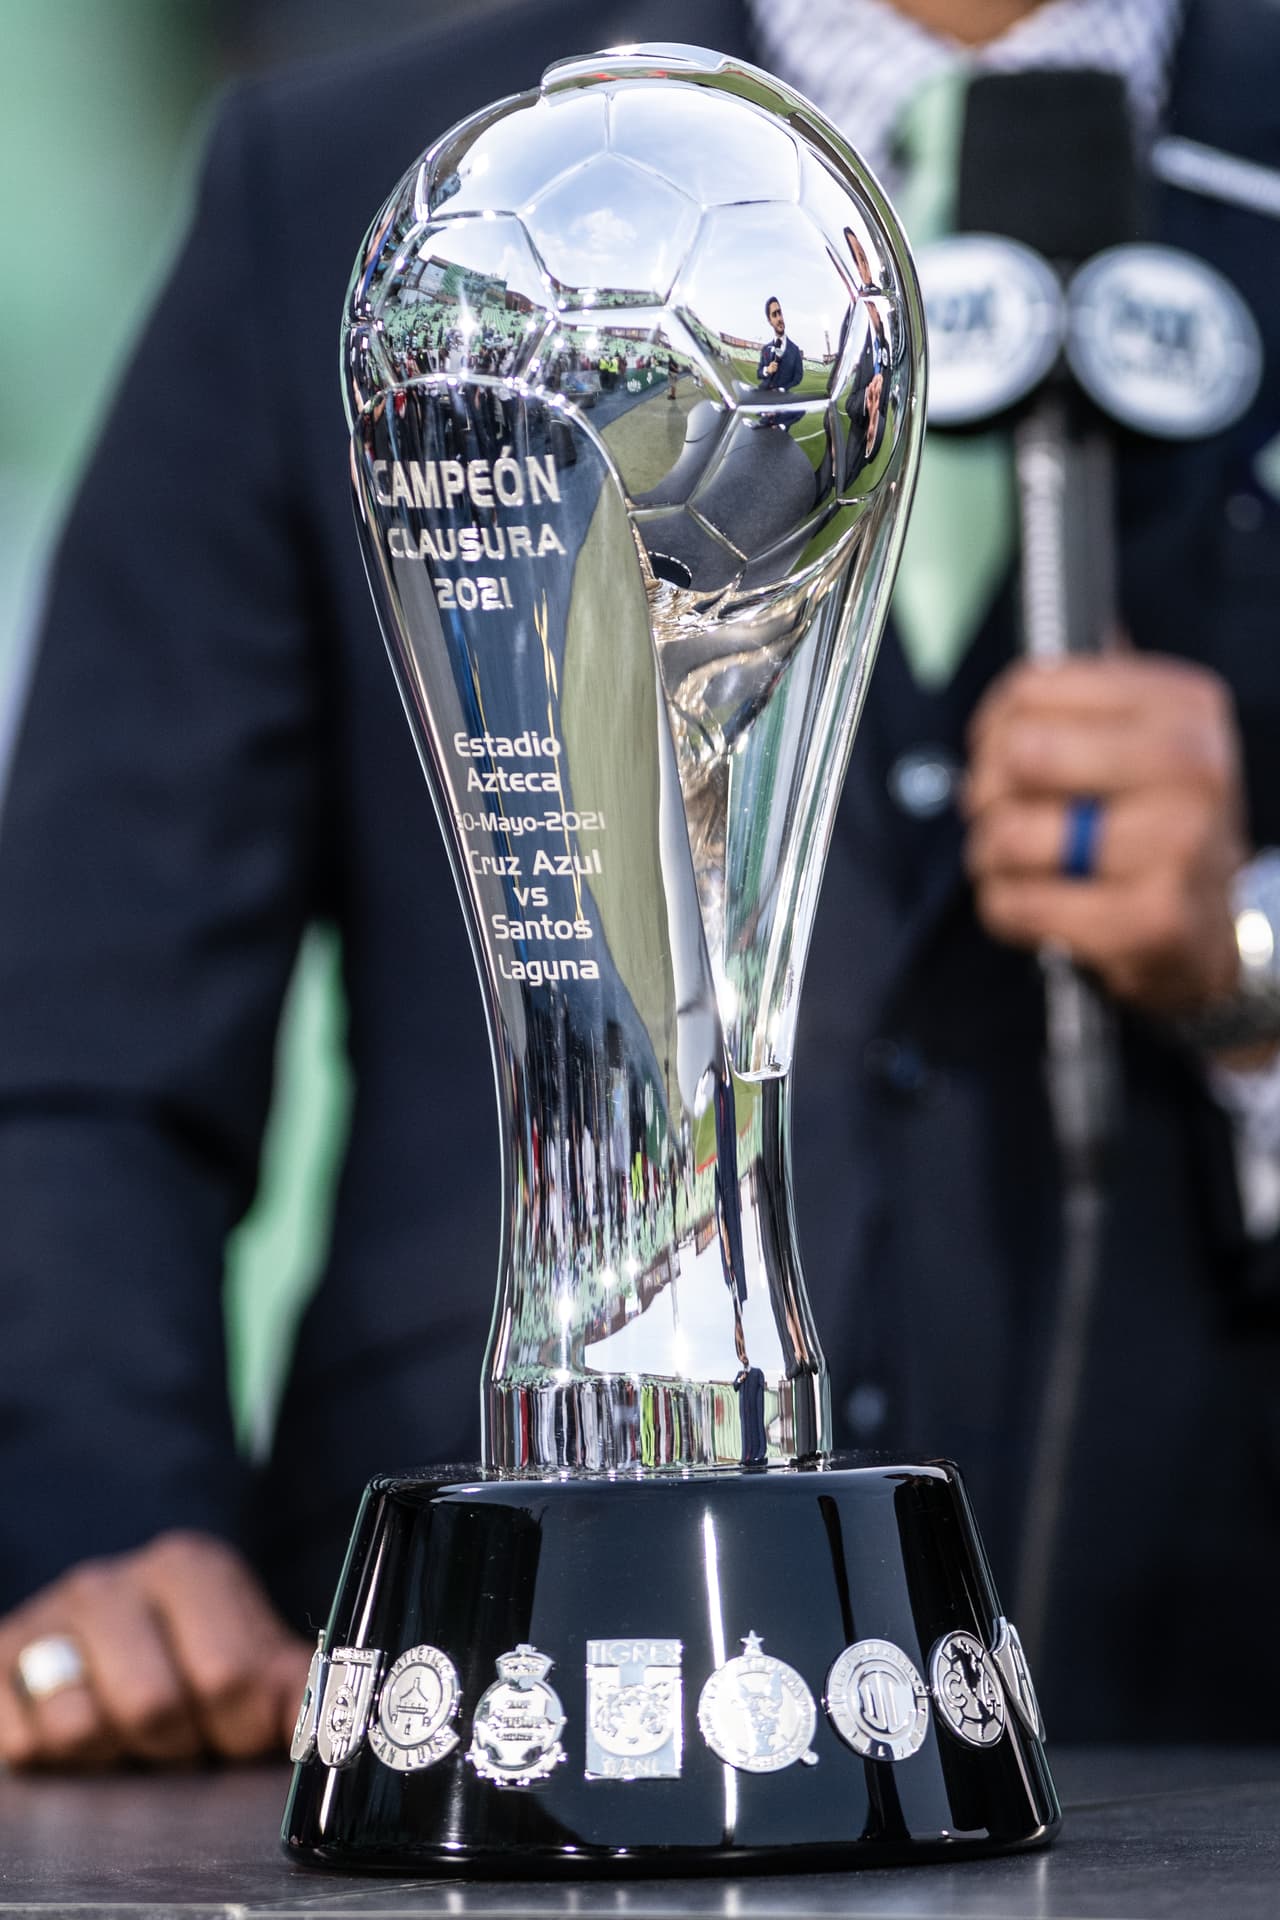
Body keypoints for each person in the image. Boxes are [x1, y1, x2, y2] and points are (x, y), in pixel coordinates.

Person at [0, 0, 1278, 1768]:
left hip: (1200, 1692)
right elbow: (86, 1027)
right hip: (478, 1686)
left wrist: (1253, 968)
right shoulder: (373, 199)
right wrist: (106, 1536)